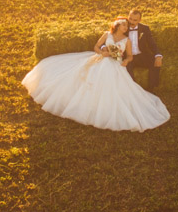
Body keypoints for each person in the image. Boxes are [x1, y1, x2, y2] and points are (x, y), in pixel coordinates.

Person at [22, 17, 169, 132]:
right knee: (89, 75)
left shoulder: (127, 40)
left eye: (127, 25)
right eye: (124, 25)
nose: (126, 27)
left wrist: (126, 61)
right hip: (101, 60)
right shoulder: (107, 34)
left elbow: (129, 56)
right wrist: (102, 52)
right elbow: (96, 46)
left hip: (116, 64)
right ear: (117, 25)